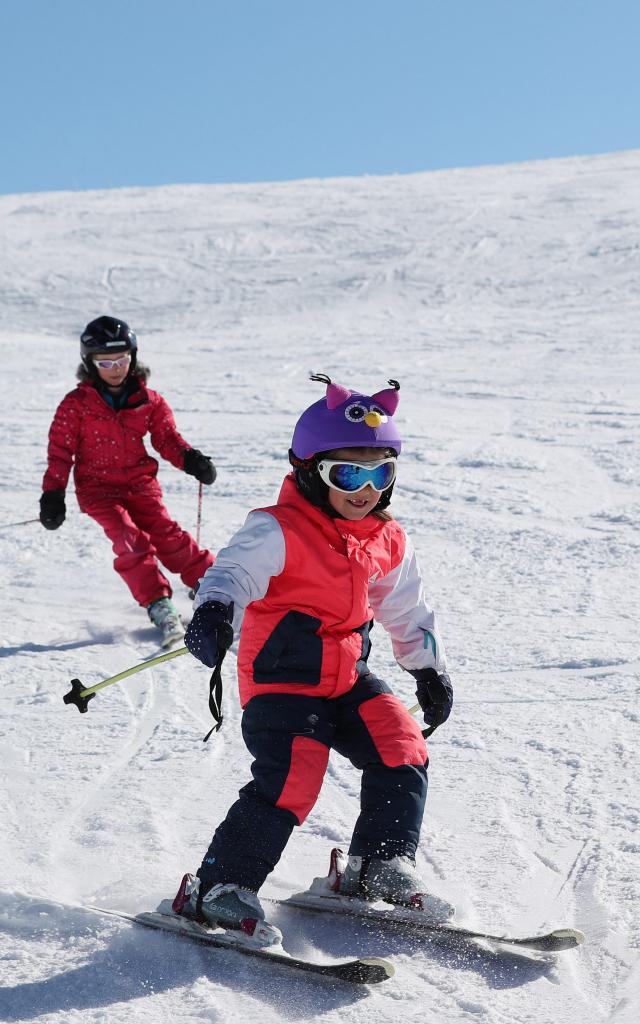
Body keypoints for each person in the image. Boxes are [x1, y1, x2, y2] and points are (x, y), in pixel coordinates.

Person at [179, 374, 453, 943]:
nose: (365, 489)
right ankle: (217, 888)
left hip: (346, 675)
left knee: (402, 746)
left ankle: (375, 865)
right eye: (348, 473)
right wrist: (214, 612)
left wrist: (426, 665)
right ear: (309, 471)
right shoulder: (278, 529)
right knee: (293, 773)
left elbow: (405, 606)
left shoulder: (385, 536)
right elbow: (231, 574)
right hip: (281, 680)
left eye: (380, 473)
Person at [39, 315, 216, 646]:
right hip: (98, 489)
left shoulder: (149, 400)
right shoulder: (75, 405)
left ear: (133, 357)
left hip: (140, 484)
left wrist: (191, 459)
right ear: (90, 363)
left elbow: (167, 439)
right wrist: (53, 495)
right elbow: (60, 453)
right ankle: (159, 604)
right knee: (128, 537)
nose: (115, 368)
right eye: (105, 361)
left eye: (122, 359)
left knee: (168, 535)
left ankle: (214, 584)